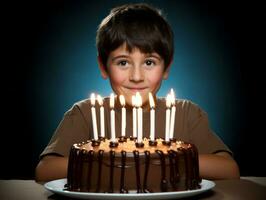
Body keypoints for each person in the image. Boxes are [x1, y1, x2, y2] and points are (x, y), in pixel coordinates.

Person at [35, 3, 239, 182]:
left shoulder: (186, 114)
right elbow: (45, 170)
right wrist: (113, 159)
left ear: (166, 67)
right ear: (103, 66)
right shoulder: (85, 113)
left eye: (149, 62)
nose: (136, 76)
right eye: (123, 62)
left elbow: (229, 169)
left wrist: (158, 159)